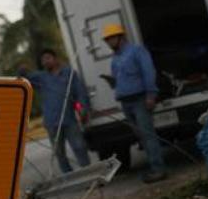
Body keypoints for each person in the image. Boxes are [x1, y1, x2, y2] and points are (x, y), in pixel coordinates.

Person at [102, 23, 166, 182]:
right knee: (142, 137)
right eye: (107, 40)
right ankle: (154, 167)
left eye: (111, 38)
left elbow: (148, 72)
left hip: (139, 99)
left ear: (120, 37)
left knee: (148, 135)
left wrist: (151, 95)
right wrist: (113, 83)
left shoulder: (137, 51)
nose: (109, 42)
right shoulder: (115, 59)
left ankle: (158, 169)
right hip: (125, 101)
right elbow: (119, 79)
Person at [19, 49, 92, 174]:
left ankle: (89, 173)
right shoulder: (40, 77)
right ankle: (69, 177)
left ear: (55, 58)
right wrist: (22, 71)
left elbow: (79, 94)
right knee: (59, 153)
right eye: (43, 60)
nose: (45, 62)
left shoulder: (69, 73)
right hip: (51, 122)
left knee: (79, 147)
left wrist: (81, 109)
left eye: (48, 58)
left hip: (69, 120)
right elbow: (24, 80)